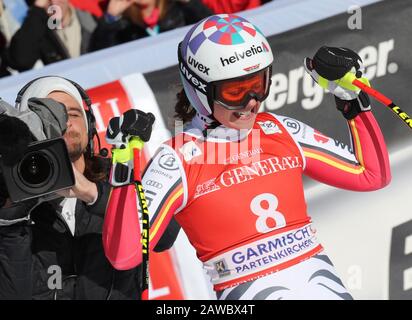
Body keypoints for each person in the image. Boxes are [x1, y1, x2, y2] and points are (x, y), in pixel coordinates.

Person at [105, 14, 391, 300]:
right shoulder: (177, 160)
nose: (251, 101)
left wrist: (352, 100)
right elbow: (125, 255)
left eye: (258, 84)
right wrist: (123, 162)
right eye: (235, 91)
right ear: (200, 88)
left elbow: (371, 175)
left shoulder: (279, 129)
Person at [0, 76, 152, 299]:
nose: (65, 123)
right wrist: (12, 218)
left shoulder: (119, 178)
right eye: (51, 116)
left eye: (72, 114)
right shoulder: (10, 201)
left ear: (89, 125)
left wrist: (93, 194)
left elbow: (163, 234)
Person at [4, 0, 96, 72]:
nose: (54, 3)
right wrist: (37, 10)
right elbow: (20, 60)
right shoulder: (36, 31)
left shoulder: (90, 21)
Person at [90, 0, 212, 51]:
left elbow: (212, 30)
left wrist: (188, 2)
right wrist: (110, 19)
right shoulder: (120, 23)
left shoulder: (179, 9)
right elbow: (100, 58)